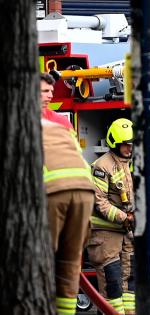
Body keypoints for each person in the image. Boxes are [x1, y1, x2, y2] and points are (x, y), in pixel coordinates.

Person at [41, 74, 96, 315]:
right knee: (68, 264)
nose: (50, 95)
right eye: (44, 91)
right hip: (83, 193)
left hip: (53, 194)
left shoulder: (18, 117)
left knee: (40, 260)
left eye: (50, 91)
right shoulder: (60, 124)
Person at [87, 118, 136, 315]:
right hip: (105, 238)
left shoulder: (125, 164)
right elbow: (99, 203)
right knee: (112, 285)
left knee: (129, 285)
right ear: (114, 143)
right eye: (124, 145)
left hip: (125, 237)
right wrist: (125, 217)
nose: (128, 148)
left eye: (130, 144)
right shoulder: (101, 166)